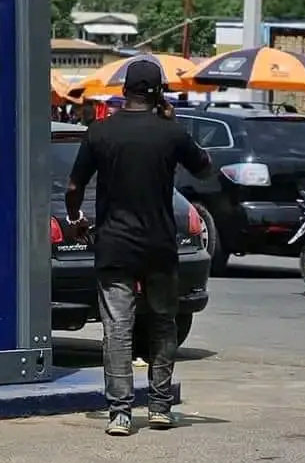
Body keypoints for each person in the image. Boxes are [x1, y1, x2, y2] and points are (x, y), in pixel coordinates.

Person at [64, 57, 211, 437]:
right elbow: (205, 168)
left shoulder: (99, 132)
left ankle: (120, 413)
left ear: (124, 90)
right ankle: (160, 407)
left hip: (114, 246)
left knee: (117, 327)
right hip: (159, 247)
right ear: (158, 92)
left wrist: (77, 220)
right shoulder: (171, 133)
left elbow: (73, 187)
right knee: (163, 322)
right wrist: (171, 121)